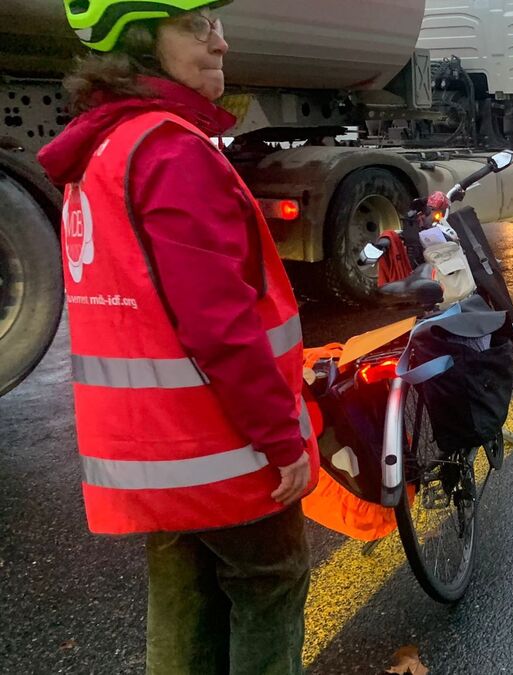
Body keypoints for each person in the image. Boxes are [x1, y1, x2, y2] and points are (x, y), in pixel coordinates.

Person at [37, 1, 319, 671]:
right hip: (221, 446)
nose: (221, 40)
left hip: (153, 452)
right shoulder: (169, 150)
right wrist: (283, 441)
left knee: (183, 601)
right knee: (269, 581)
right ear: (140, 42)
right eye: (196, 25)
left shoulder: (103, 145)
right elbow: (220, 325)